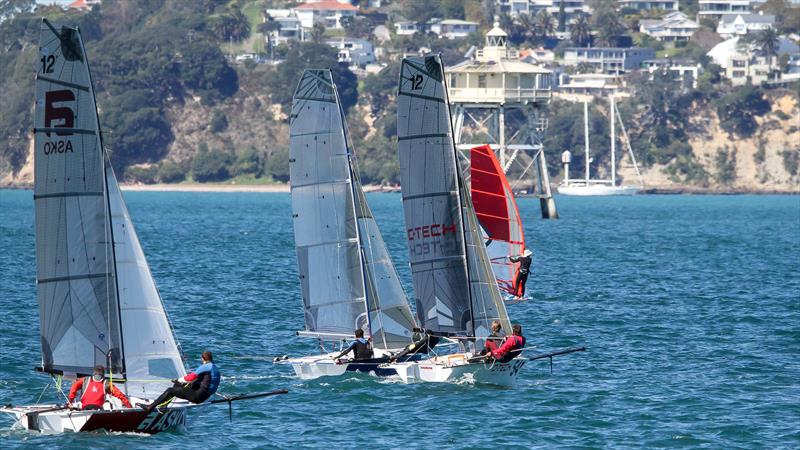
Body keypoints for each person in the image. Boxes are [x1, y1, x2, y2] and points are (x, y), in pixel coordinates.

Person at [144, 351, 220, 413]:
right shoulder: (215, 368)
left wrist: (178, 380)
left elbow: (191, 377)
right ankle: (164, 406)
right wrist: (180, 382)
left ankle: (149, 407)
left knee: (170, 390)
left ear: (203, 359)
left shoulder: (206, 366)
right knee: (178, 384)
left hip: (198, 396)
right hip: (205, 396)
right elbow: (207, 383)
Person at [67, 365, 132, 410]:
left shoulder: (85, 380)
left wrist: (70, 401)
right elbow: (120, 395)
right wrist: (129, 406)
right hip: (98, 408)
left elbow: (74, 386)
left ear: (94, 373)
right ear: (103, 374)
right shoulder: (106, 383)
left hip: (85, 409)